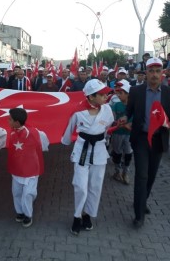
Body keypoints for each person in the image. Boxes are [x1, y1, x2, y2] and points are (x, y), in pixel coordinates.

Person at [119, 57, 170, 228]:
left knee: (151, 176)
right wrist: (124, 117)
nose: (154, 74)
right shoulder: (136, 91)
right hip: (141, 138)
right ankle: (139, 215)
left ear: (162, 74)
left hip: (159, 138)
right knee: (141, 175)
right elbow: (128, 110)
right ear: (145, 73)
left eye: (157, 71)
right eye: (151, 71)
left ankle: (142, 201)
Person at [61, 79, 114, 235]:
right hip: (82, 150)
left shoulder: (107, 110)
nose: (106, 96)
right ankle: (77, 216)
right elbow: (68, 131)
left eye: (106, 93)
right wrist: (64, 142)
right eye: (102, 94)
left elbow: (107, 127)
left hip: (98, 150)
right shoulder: (77, 112)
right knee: (80, 186)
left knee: (95, 186)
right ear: (91, 96)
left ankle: (88, 215)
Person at [7, 107, 49, 228]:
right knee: (17, 192)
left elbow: (44, 143)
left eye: (10, 119)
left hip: (31, 169)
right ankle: (19, 212)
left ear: (17, 122)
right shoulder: (10, 132)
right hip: (17, 168)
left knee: (28, 193)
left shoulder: (35, 132)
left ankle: (28, 214)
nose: (8, 121)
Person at [110, 80, 133, 185]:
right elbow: (112, 120)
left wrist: (129, 125)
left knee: (128, 153)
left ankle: (125, 172)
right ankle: (117, 171)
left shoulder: (133, 106)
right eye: (118, 93)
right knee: (117, 153)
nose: (118, 95)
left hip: (129, 135)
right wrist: (117, 124)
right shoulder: (116, 105)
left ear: (127, 94)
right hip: (117, 133)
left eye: (121, 93)